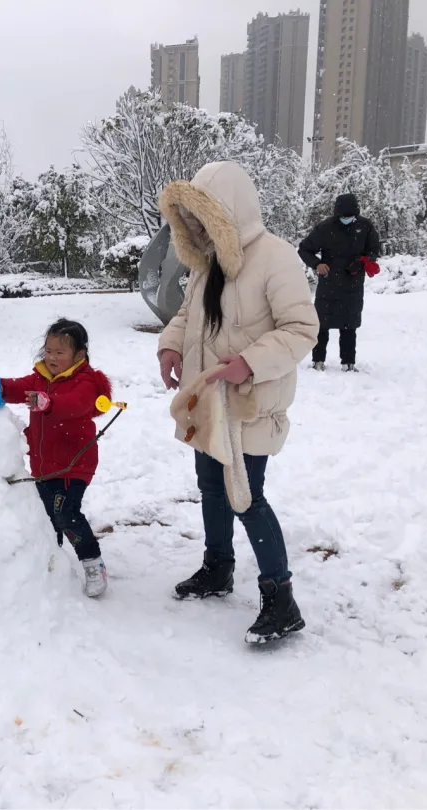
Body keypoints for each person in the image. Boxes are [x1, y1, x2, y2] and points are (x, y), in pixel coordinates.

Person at [157, 161, 319, 643]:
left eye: (206, 217)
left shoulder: (276, 257)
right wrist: (169, 344)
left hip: (249, 403)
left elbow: (302, 329)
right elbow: (189, 314)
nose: (199, 229)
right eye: (193, 221)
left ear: (229, 212)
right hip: (208, 402)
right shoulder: (207, 266)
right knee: (210, 487)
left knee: (245, 497)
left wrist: (248, 362)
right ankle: (218, 568)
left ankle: (281, 598)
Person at [0, 319, 113, 598]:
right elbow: (18, 388)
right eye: (48, 350)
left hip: (74, 465)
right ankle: (53, 560)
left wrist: (49, 403)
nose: (51, 357)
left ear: (79, 355)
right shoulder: (40, 378)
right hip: (43, 466)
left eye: (60, 353)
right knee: (48, 516)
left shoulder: (84, 382)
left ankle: (92, 562)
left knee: (66, 514)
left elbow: (76, 405)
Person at [298, 193, 381, 372]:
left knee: (349, 324)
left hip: (354, 282)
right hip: (329, 283)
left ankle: (348, 363)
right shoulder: (325, 227)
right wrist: (317, 264)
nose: (347, 219)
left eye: (350, 216)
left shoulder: (365, 226)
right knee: (322, 323)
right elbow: (304, 249)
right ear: (337, 214)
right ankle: (318, 360)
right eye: (344, 216)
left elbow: (375, 249)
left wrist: (363, 261)